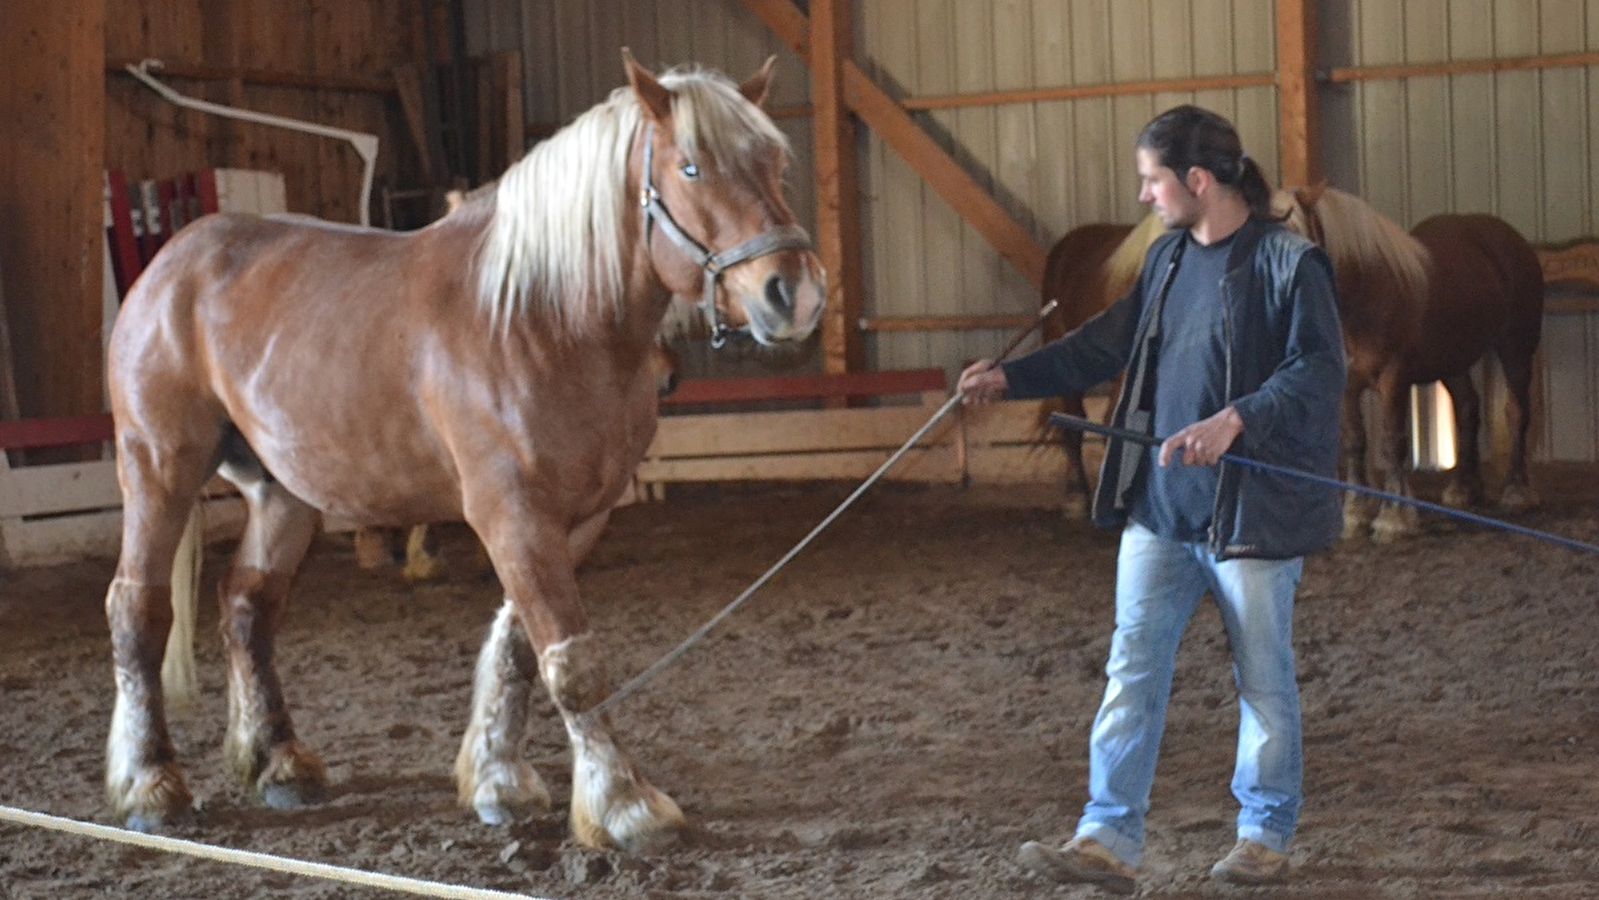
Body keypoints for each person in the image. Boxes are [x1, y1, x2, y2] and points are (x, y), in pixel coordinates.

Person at [959, 105, 1345, 891]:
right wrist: (1010, 377)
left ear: (1196, 180)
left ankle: (1263, 836)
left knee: (1262, 680)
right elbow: (1103, 343)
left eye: (1151, 180)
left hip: (1250, 514)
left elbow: (1317, 369)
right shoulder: (1166, 260)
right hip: (1159, 512)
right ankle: (1105, 837)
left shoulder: (1289, 263)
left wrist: (1237, 418)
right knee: (1130, 672)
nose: (1143, 196)